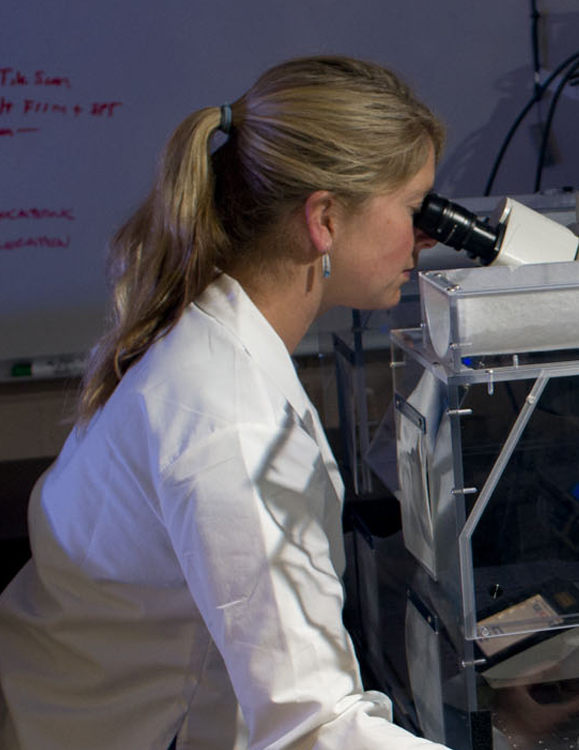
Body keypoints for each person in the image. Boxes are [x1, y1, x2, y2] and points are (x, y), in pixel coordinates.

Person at [0, 55, 449, 750]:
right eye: (415, 209)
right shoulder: (229, 420)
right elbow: (312, 727)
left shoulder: (211, 333)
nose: (424, 238)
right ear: (324, 218)